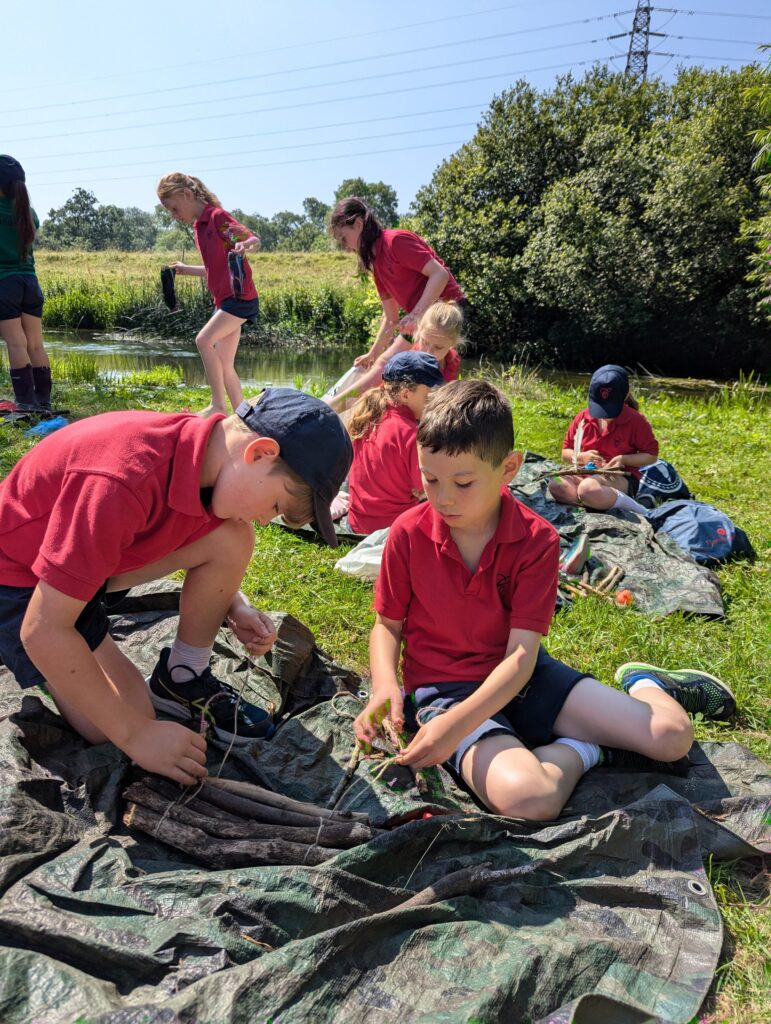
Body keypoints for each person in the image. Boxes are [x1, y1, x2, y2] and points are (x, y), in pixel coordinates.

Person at [353, 380, 735, 821]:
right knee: (529, 800)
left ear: (509, 468)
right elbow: (387, 625)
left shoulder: (536, 539)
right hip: (448, 693)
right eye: (430, 478)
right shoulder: (407, 533)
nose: (442, 498)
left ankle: (646, 683)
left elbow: (521, 655)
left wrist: (451, 732)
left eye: (462, 482)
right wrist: (385, 686)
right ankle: (582, 750)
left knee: (672, 738)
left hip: (527, 679)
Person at [0, 388, 352, 785]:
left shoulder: (208, 458)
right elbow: (42, 629)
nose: (267, 520)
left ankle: (184, 673)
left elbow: (184, 526)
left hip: (84, 563)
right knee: (113, 726)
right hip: (21, 578)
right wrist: (136, 735)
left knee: (232, 537)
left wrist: (233, 604)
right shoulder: (122, 479)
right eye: (276, 507)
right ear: (259, 453)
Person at [326, 197, 465, 410]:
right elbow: (390, 317)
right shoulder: (376, 263)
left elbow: (440, 274)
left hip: (444, 312)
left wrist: (417, 314)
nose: (346, 247)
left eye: (344, 238)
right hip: (419, 318)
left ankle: (330, 407)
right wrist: (373, 353)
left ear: (359, 224)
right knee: (384, 363)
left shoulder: (395, 241)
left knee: (422, 370)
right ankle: (333, 407)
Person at [156, 172, 261, 416]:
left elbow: (254, 239)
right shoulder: (198, 228)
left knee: (203, 340)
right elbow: (212, 270)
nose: (173, 215)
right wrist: (184, 270)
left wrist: (245, 245)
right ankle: (242, 414)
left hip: (239, 299)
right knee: (225, 363)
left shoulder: (216, 217)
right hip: (225, 301)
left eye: (173, 208)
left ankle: (217, 405)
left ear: (187, 194)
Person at [347, 351, 445, 535]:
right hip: (392, 530)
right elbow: (424, 488)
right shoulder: (410, 433)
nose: (435, 403)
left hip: (356, 524)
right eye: (430, 397)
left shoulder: (368, 415)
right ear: (406, 394)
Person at [548, 365, 657, 516]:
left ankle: (640, 509)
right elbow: (565, 452)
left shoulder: (636, 421)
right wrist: (580, 457)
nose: (604, 415)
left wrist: (623, 459)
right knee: (556, 483)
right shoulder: (583, 418)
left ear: (625, 396)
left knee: (588, 488)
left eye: (611, 410)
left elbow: (651, 456)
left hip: (619, 477)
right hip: (585, 472)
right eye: (600, 408)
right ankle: (592, 503)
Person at [0, 156, 52, 410]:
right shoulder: (29, 213)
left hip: (4, 284)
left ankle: (25, 402)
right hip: (30, 282)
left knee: (15, 342)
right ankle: (43, 401)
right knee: (35, 343)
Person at [414, 300, 464, 383]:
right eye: (424, 342)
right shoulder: (409, 363)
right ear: (419, 332)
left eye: (438, 347)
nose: (428, 352)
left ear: (453, 343)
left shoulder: (453, 361)